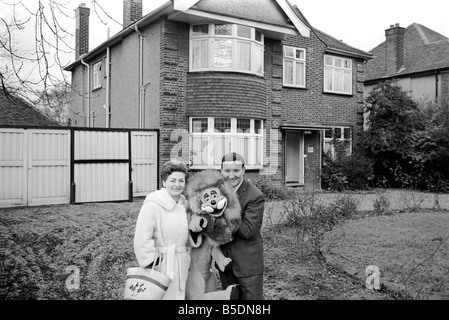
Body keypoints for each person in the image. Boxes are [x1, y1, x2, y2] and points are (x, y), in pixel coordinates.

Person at [192, 152, 265, 300]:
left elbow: (248, 231)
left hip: (248, 266)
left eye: (236, 170)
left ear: (243, 170)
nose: (231, 175)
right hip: (225, 264)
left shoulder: (254, 196)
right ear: (221, 171)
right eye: (227, 171)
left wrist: (222, 211)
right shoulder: (217, 192)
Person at [133, 160, 191, 300]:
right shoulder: (153, 205)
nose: (177, 185)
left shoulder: (184, 205)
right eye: (172, 180)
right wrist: (152, 260)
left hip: (182, 263)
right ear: (164, 182)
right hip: (163, 265)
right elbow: (141, 238)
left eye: (181, 181)